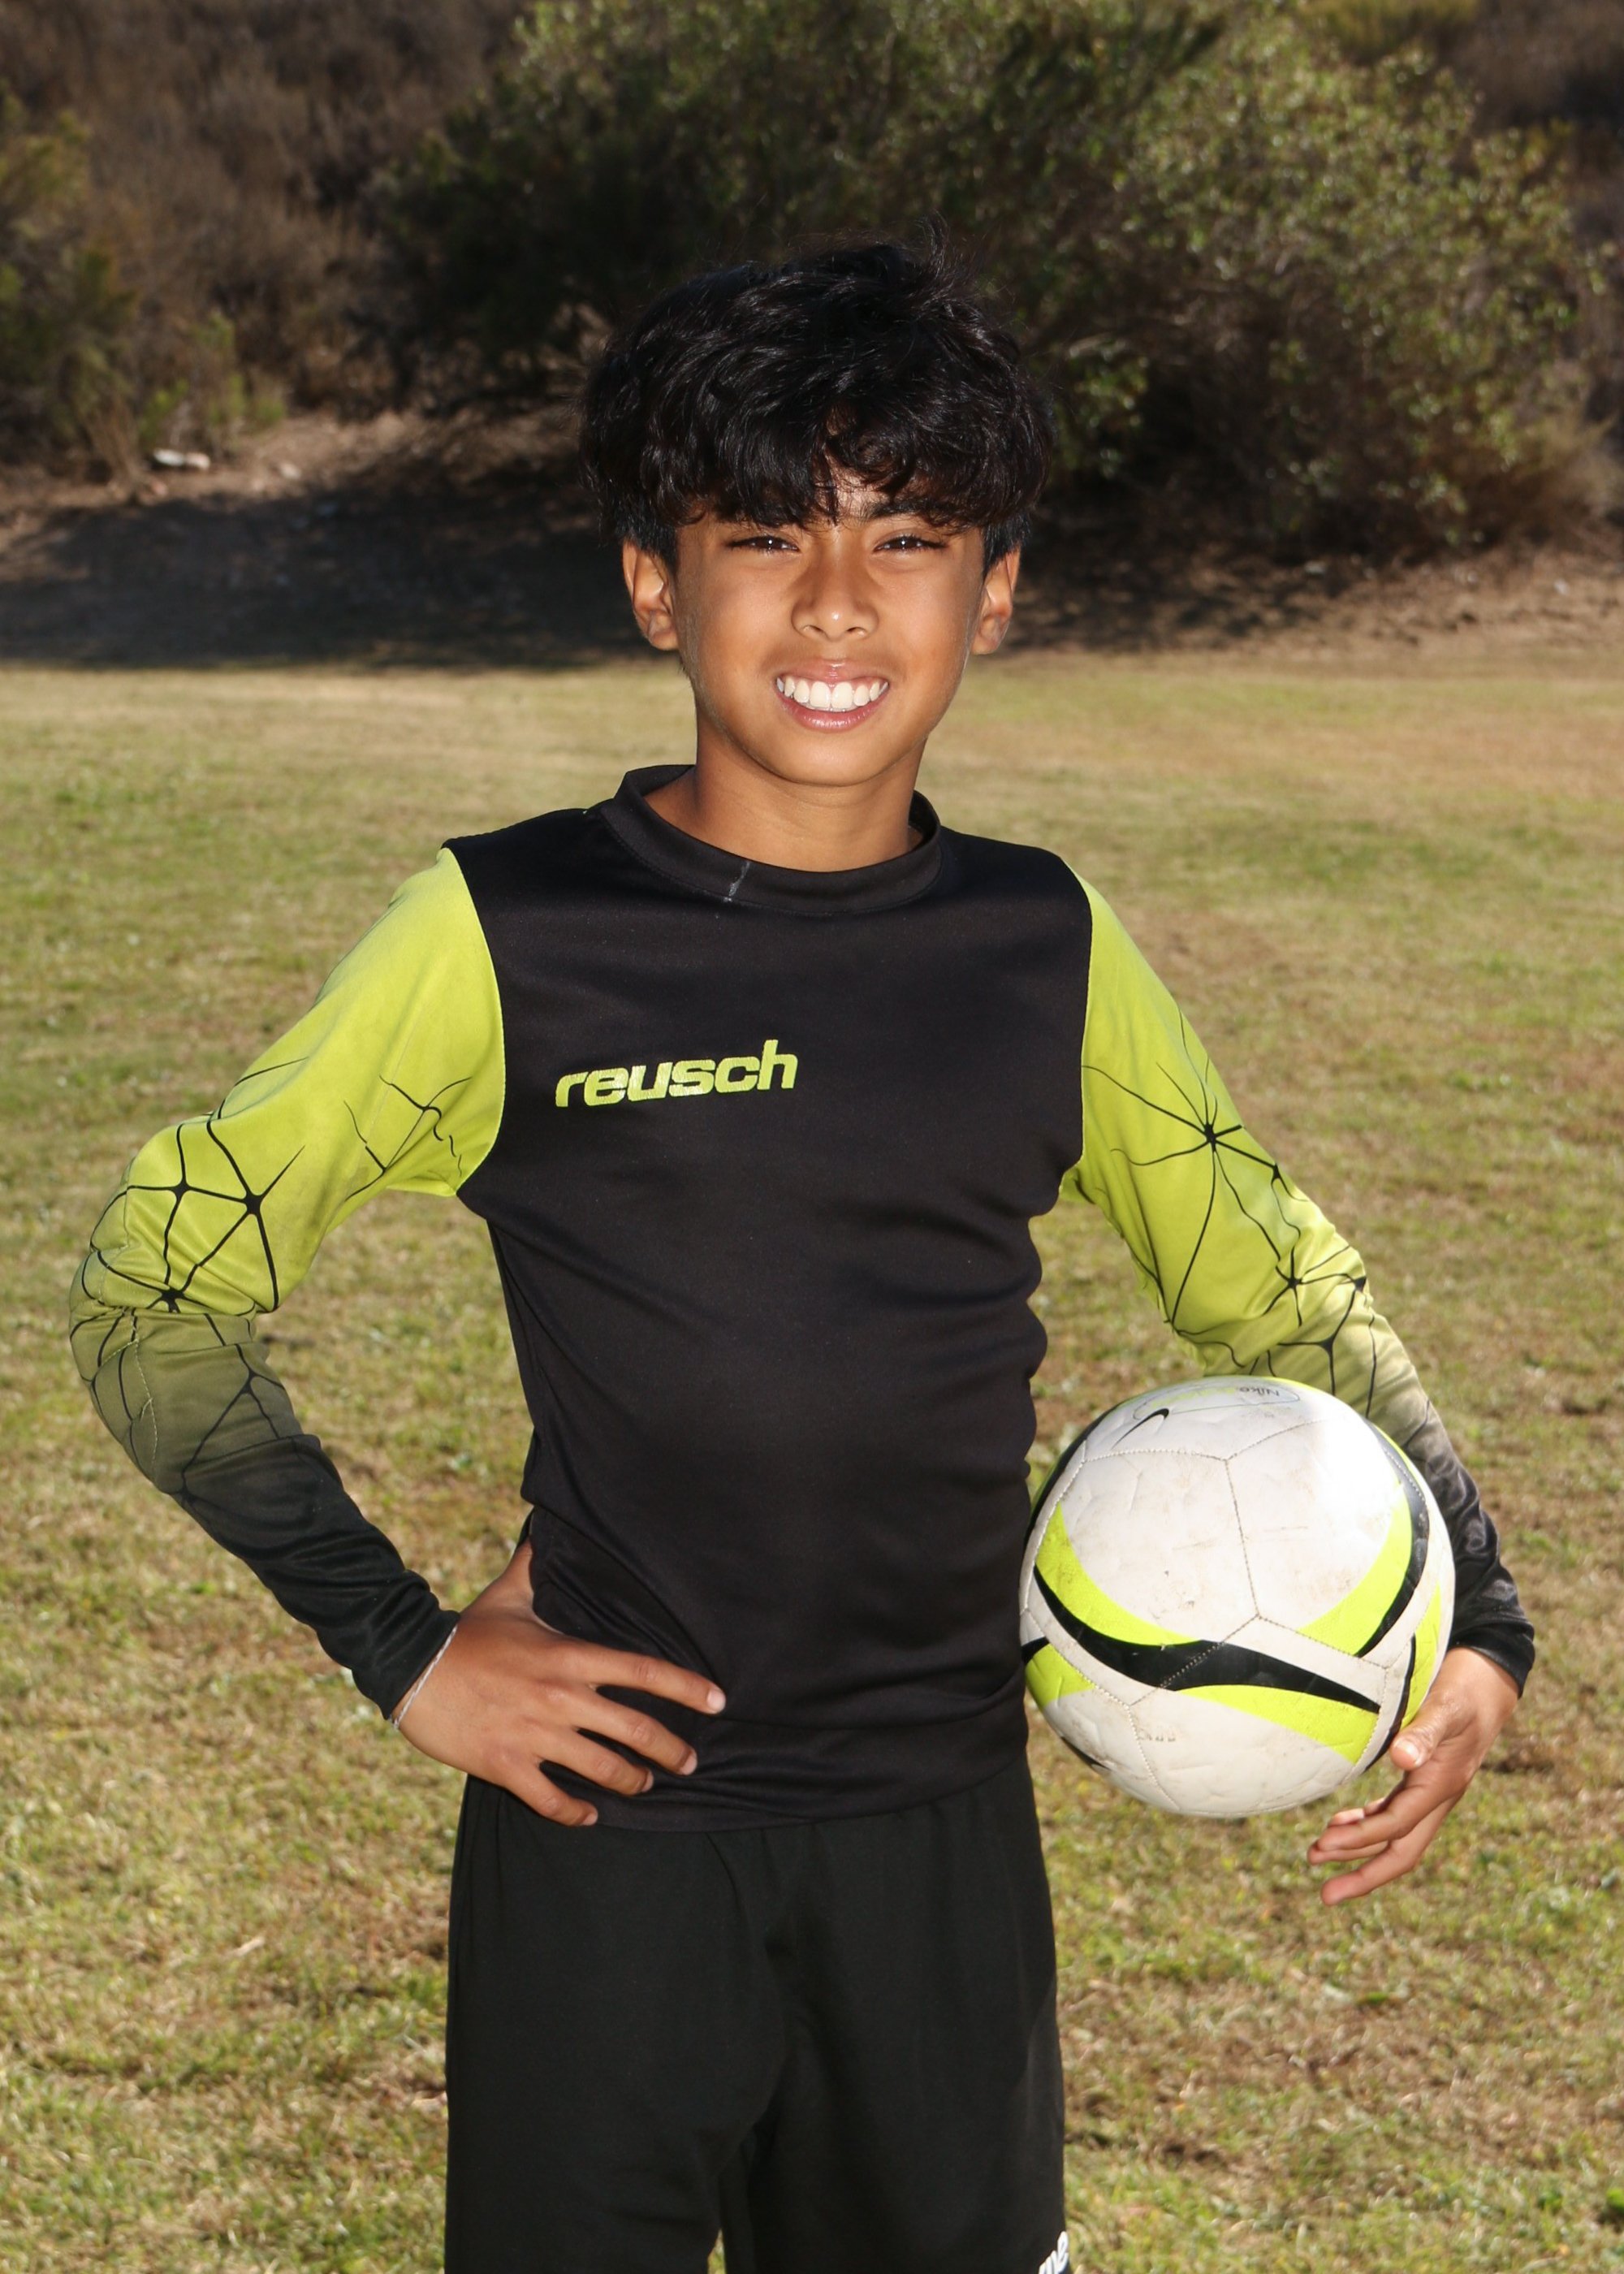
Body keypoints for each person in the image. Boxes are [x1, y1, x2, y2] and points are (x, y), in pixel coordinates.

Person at [70, 243, 1533, 2274]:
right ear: (656, 586)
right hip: (606, 1851)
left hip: (937, 1856)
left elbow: (1281, 1286)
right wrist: (402, 1645)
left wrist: (1484, 1615)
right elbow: (152, 1292)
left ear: (992, 591)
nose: (837, 600)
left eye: (907, 535)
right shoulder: (508, 932)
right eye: (764, 532)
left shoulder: (1039, 946)